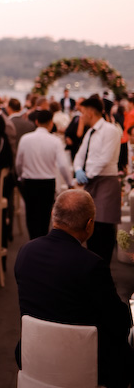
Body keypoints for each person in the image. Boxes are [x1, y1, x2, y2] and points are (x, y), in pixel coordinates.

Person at [14, 189, 132, 388]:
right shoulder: (91, 265)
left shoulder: (26, 252)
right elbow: (120, 324)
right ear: (89, 224)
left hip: (32, 355)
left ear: (53, 216)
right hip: (83, 365)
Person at [73, 94, 121, 264]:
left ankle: (103, 271)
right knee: (91, 227)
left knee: (104, 229)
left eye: (82, 112)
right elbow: (79, 156)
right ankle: (92, 270)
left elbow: (105, 158)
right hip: (91, 182)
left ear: (90, 113)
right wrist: (79, 170)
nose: (81, 116)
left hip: (106, 181)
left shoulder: (110, 130)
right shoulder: (90, 133)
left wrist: (87, 177)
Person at [15, 109, 72, 239]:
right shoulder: (55, 141)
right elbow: (63, 165)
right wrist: (69, 183)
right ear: (51, 123)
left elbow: (18, 163)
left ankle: (33, 243)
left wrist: (20, 175)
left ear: (36, 122)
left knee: (31, 216)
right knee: (45, 217)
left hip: (29, 183)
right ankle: (43, 243)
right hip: (47, 183)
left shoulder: (25, 139)